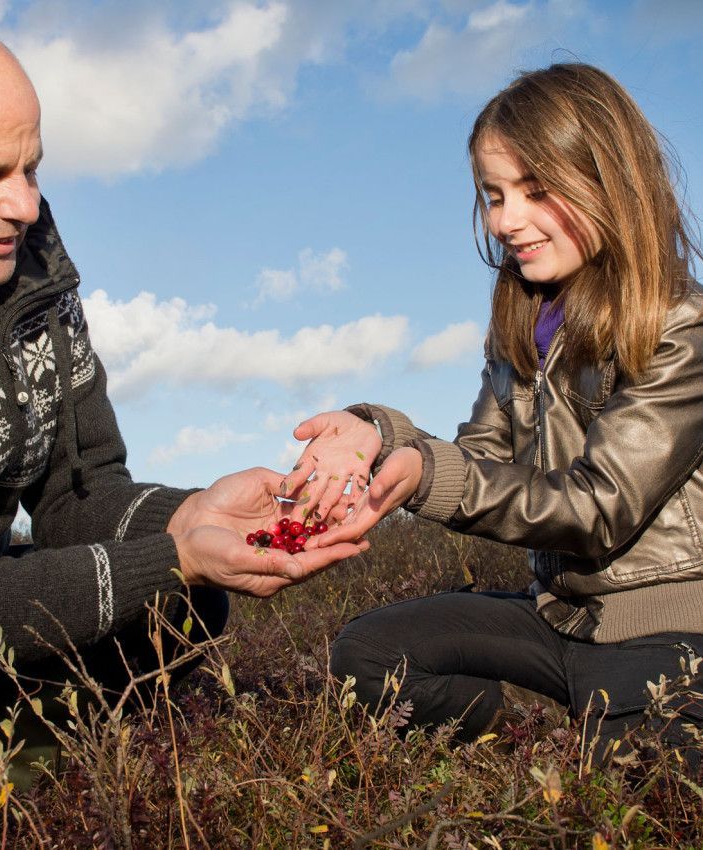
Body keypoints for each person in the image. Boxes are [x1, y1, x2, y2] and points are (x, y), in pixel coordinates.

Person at [0, 12, 367, 770]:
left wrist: (189, 518)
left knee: (182, 603)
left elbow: (75, 500)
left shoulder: (28, 269)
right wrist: (173, 557)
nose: (23, 205)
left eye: (31, 167)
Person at [282, 63, 703, 752]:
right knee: (369, 654)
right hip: (560, 619)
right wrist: (379, 438)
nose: (506, 221)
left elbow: (600, 509)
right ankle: (521, 733)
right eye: (493, 195)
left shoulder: (681, 327)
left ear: (611, 181)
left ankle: (588, 727)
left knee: (641, 788)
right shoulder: (526, 329)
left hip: (666, 629)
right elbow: (476, 458)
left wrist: (427, 473)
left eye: (536, 191)